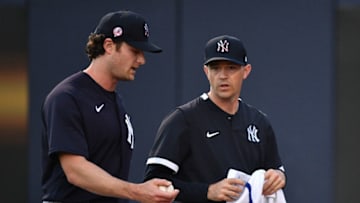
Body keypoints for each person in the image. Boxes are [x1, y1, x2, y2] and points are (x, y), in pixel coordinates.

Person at [41, 10, 179, 203]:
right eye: (135, 51)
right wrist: (137, 191)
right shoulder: (66, 97)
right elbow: (75, 171)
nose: (141, 60)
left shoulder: (115, 100)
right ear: (108, 45)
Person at [144, 35, 286, 203]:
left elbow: (275, 170)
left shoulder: (259, 122)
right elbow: (153, 184)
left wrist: (278, 176)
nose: (223, 75)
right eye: (215, 68)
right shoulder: (183, 119)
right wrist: (207, 191)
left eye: (231, 68)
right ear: (206, 71)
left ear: (246, 71)